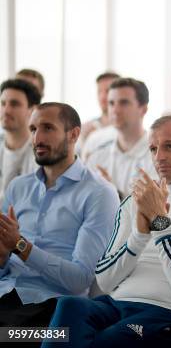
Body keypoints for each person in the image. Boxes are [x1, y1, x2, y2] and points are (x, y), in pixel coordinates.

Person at [45, 115, 171, 347]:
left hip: (170, 317)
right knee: (69, 306)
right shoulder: (132, 202)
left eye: (169, 146)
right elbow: (105, 281)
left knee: (108, 339)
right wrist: (139, 235)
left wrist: (158, 220)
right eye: (153, 148)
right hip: (116, 306)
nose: (159, 157)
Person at [0, 103, 118, 329]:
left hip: (53, 313)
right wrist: (2, 255)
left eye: (47, 128)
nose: (37, 139)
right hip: (6, 294)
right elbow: (4, 262)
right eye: (33, 129)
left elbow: (80, 280)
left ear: (74, 134)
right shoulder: (18, 187)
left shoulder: (99, 193)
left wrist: (20, 246)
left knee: (7, 337)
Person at [86, 78, 156, 199]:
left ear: (143, 109)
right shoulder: (96, 157)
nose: (115, 110)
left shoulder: (158, 159)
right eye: (111, 103)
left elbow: (156, 211)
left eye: (124, 103)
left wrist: (112, 193)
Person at [0, 79, 41, 204]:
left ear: (32, 110)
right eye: (3, 103)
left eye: (14, 104)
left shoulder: (42, 154)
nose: (6, 110)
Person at [80, 72, 121, 145]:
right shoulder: (85, 129)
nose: (102, 97)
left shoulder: (127, 129)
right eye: (99, 91)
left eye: (108, 91)